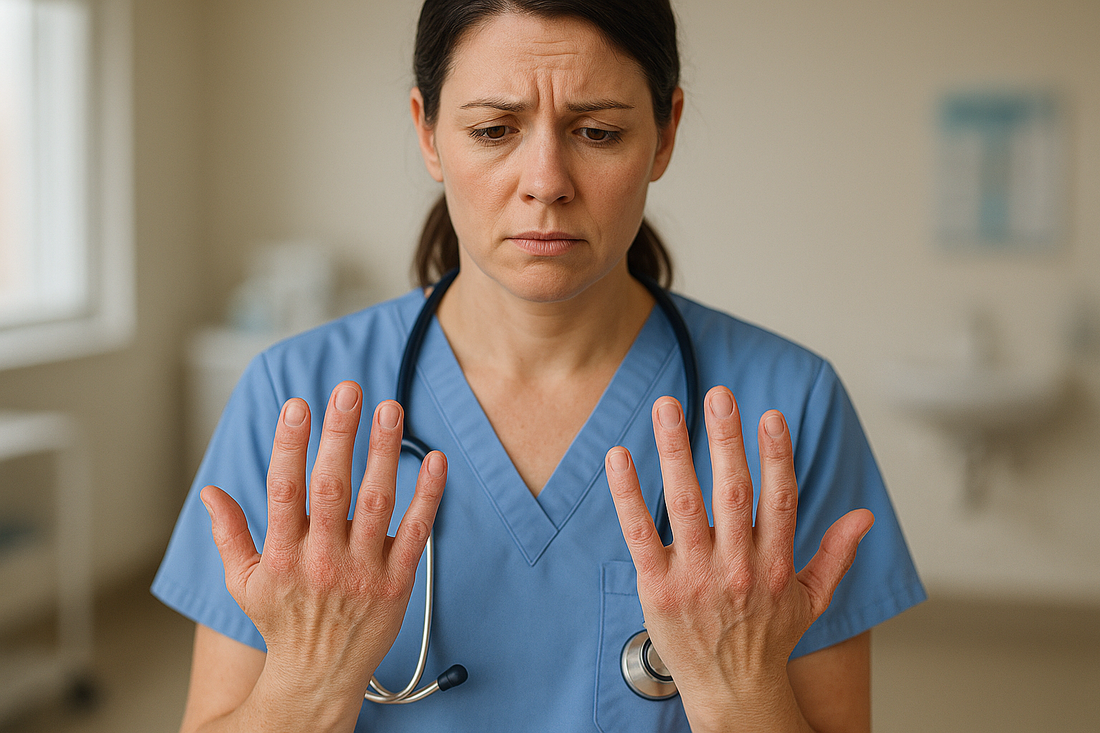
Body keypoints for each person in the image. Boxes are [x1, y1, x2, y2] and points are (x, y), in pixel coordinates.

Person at [153, 1, 926, 731]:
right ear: (427, 133)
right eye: (494, 130)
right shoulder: (294, 400)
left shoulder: (787, 407)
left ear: (665, 134)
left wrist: (737, 685)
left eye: (596, 132)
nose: (546, 181)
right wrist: (308, 680)